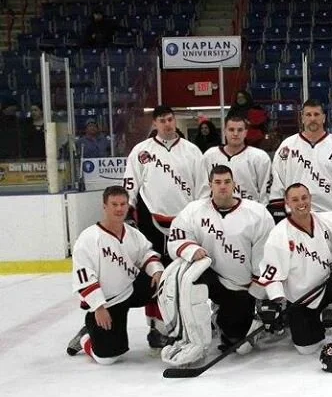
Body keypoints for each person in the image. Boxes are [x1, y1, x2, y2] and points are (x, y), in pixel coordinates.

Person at [255, 183, 332, 357]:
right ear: (287, 203)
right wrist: (277, 302)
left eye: (304, 197)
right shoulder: (279, 234)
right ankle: (303, 323)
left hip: (327, 284)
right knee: (307, 349)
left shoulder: (324, 220)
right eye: (295, 199)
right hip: (301, 299)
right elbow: (272, 274)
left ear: (310, 198)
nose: (301, 202)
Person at [167, 165, 274, 354]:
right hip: (211, 276)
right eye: (217, 182)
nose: (222, 186)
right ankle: (189, 335)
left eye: (227, 182)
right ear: (210, 185)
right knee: (182, 272)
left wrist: (257, 295)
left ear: (235, 184)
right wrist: (191, 249)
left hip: (241, 287)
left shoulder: (257, 214)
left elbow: (265, 259)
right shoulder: (194, 210)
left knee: (237, 344)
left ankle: (227, 319)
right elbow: (176, 239)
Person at [66, 186, 164, 364]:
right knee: (107, 358)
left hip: (130, 289)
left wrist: (156, 270)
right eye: (114, 204)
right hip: (108, 301)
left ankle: (160, 330)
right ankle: (86, 337)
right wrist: (98, 307)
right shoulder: (89, 238)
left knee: (166, 284)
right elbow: (83, 275)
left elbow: (146, 254)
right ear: (104, 207)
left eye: (123, 204)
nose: (119, 209)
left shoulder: (133, 234)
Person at [122, 104, 204, 260]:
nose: (167, 124)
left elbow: (203, 186)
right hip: (151, 218)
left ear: (175, 120)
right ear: (154, 123)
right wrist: (128, 208)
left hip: (186, 220)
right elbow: (130, 182)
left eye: (170, 119)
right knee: (153, 263)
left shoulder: (192, 151)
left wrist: (202, 213)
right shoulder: (141, 150)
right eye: (162, 121)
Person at [267, 99, 332, 223]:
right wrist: (277, 209)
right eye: (308, 115)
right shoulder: (288, 145)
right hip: (294, 216)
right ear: (302, 118)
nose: (312, 118)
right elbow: (278, 180)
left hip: (329, 215)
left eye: (316, 114)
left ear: (324, 118)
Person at [199, 115, 272, 204]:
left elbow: (266, 192)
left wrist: (261, 212)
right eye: (231, 129)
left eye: (240, 130)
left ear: (245, 132)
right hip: (216, 212)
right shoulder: (209, 156)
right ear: (224, 131)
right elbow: (203, 190)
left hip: (250, 212)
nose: (235, 133)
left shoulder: (259, 157)